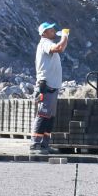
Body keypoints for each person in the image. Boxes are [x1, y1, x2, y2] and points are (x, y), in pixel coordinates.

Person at [31, 22, 69, 155]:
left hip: (52, 87)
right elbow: (59, 48)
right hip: (46, 87)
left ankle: (44, 145)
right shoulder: (45, 43)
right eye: (50, 30)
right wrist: (64, 36)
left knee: (49, 117)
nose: (53, 31)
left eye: (53, 29)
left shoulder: (47, 43)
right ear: (44, 33)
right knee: (42, 115)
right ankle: (35, 145)